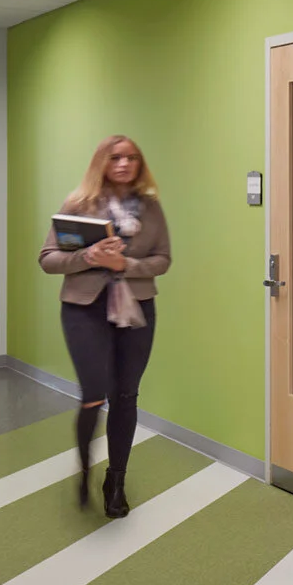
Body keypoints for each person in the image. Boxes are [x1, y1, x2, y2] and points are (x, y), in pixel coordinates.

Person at [39, 136, 171, 519]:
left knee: (126, 395)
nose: (124, 164)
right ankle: (84, 472)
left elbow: (163, 260)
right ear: (101, 162)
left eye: (131, 157)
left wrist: (125, 266)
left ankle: (116, 481)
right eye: (115, 157)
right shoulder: (78, 204)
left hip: (137, 309)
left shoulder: (151, 208)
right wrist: (88, 257)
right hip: (84, 309)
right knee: (95, 393)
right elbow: (47, 259)